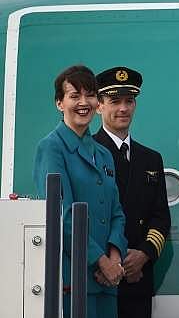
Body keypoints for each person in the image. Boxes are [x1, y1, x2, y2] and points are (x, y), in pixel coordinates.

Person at [33, 65, 127, 318]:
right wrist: (101, 261)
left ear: (98, 103)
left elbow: (116, 212)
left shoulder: (104, 154)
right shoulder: (52, 148)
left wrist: (115, 257)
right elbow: (62, 216)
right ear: (59, 103)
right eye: (74, 96)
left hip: (107, 281)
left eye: (90, 95)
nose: (83, 103)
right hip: (72, 279)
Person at [93, 66, 171, 318]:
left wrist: (144, 255)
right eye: (115, 101)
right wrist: (102, 262)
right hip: (98, 277)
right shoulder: (86, 153)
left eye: (129, 101)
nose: (123, 108)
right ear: (99, 106)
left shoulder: (150, 159)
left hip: (138, 278)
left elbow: (160, 216)